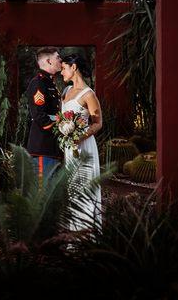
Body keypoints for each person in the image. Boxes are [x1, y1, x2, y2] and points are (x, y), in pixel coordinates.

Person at [60, 53, 102, 231]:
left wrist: (79, 136)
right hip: (69, 147)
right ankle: (74, 234)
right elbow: (60, 119)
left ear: (73, 67)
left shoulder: (88, 94)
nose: (61, 72)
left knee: (86, 186)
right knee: (73, 188)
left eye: (63, 68)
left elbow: (98, 123)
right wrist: (63, 128)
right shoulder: (65, 92)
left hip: (84, 146)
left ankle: (88, 234)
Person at [26, 46, 62, 185]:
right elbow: (40, 116)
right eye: (58, 57)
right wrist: (61, 129)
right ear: (49, 61)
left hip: (52, 147)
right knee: (43, 192)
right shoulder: (39, 83)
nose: (60, 60)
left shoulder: (49, 83)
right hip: (43, 146)